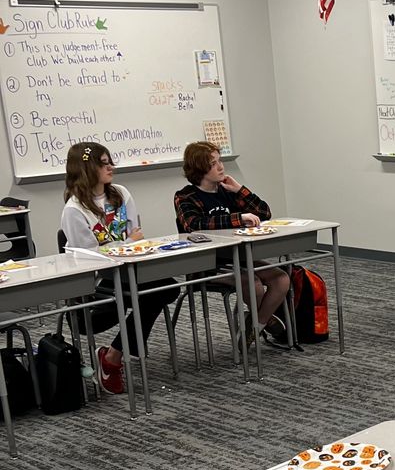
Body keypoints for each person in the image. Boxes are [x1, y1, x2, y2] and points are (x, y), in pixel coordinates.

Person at [60, 142, 179, 395]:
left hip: (127, 270)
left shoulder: (121, 194)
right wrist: (126, 244)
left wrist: (127, 244)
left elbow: (135, 236)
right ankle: (113, 358)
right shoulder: (74, 209)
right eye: (104, 163)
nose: (110, 167)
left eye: (110, 161)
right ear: (87, 167)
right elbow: (90, 257)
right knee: (160, 291)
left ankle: (113, 355)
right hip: (97, 282)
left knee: (167, 287)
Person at [173, 141, 289, 345]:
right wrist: (239, 218)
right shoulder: (185, 196)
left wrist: (240, 190)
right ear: (199, 168)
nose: (220, 167)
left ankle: (256, 325)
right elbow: (194, 224)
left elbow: (264, 213)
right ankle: (267, 319)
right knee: (253, 284)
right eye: (213, 163)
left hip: (238, 258)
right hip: (206, 265)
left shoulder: (226, 191)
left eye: (220, 161)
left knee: (281, 279)